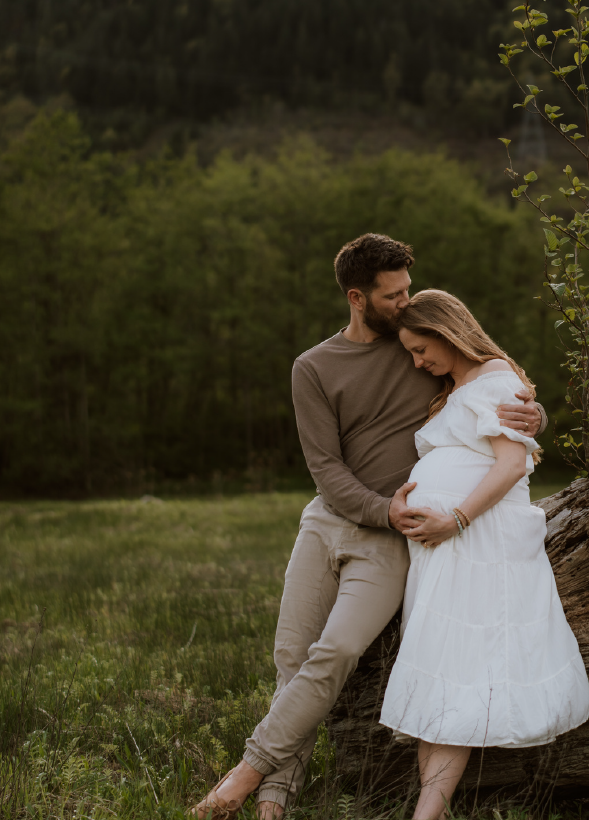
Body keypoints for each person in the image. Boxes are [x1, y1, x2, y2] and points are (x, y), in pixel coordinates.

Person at [191, 234, 546, 819]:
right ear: (357, 297)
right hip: (327, 522)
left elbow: (487, 386)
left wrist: (534, 413)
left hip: (391, 539)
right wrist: (380, 507)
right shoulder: (314, 366)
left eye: (409, 290)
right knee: (291, 659)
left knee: (335, 651)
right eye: (393, 295)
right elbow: (325, 467)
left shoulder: (422, 346)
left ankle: (242, 778)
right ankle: (274, 803)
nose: (407, 303)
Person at [379, 289, 589, 820]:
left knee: (460, 673)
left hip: (478, 545)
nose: (417, 362)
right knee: (441, 674)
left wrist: (454, 518)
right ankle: (432, 812)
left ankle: (426, 814)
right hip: (447, 550)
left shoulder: (495, 379)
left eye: (420, 349)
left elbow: (511, 465)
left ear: (446, 333)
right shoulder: (460, 387)